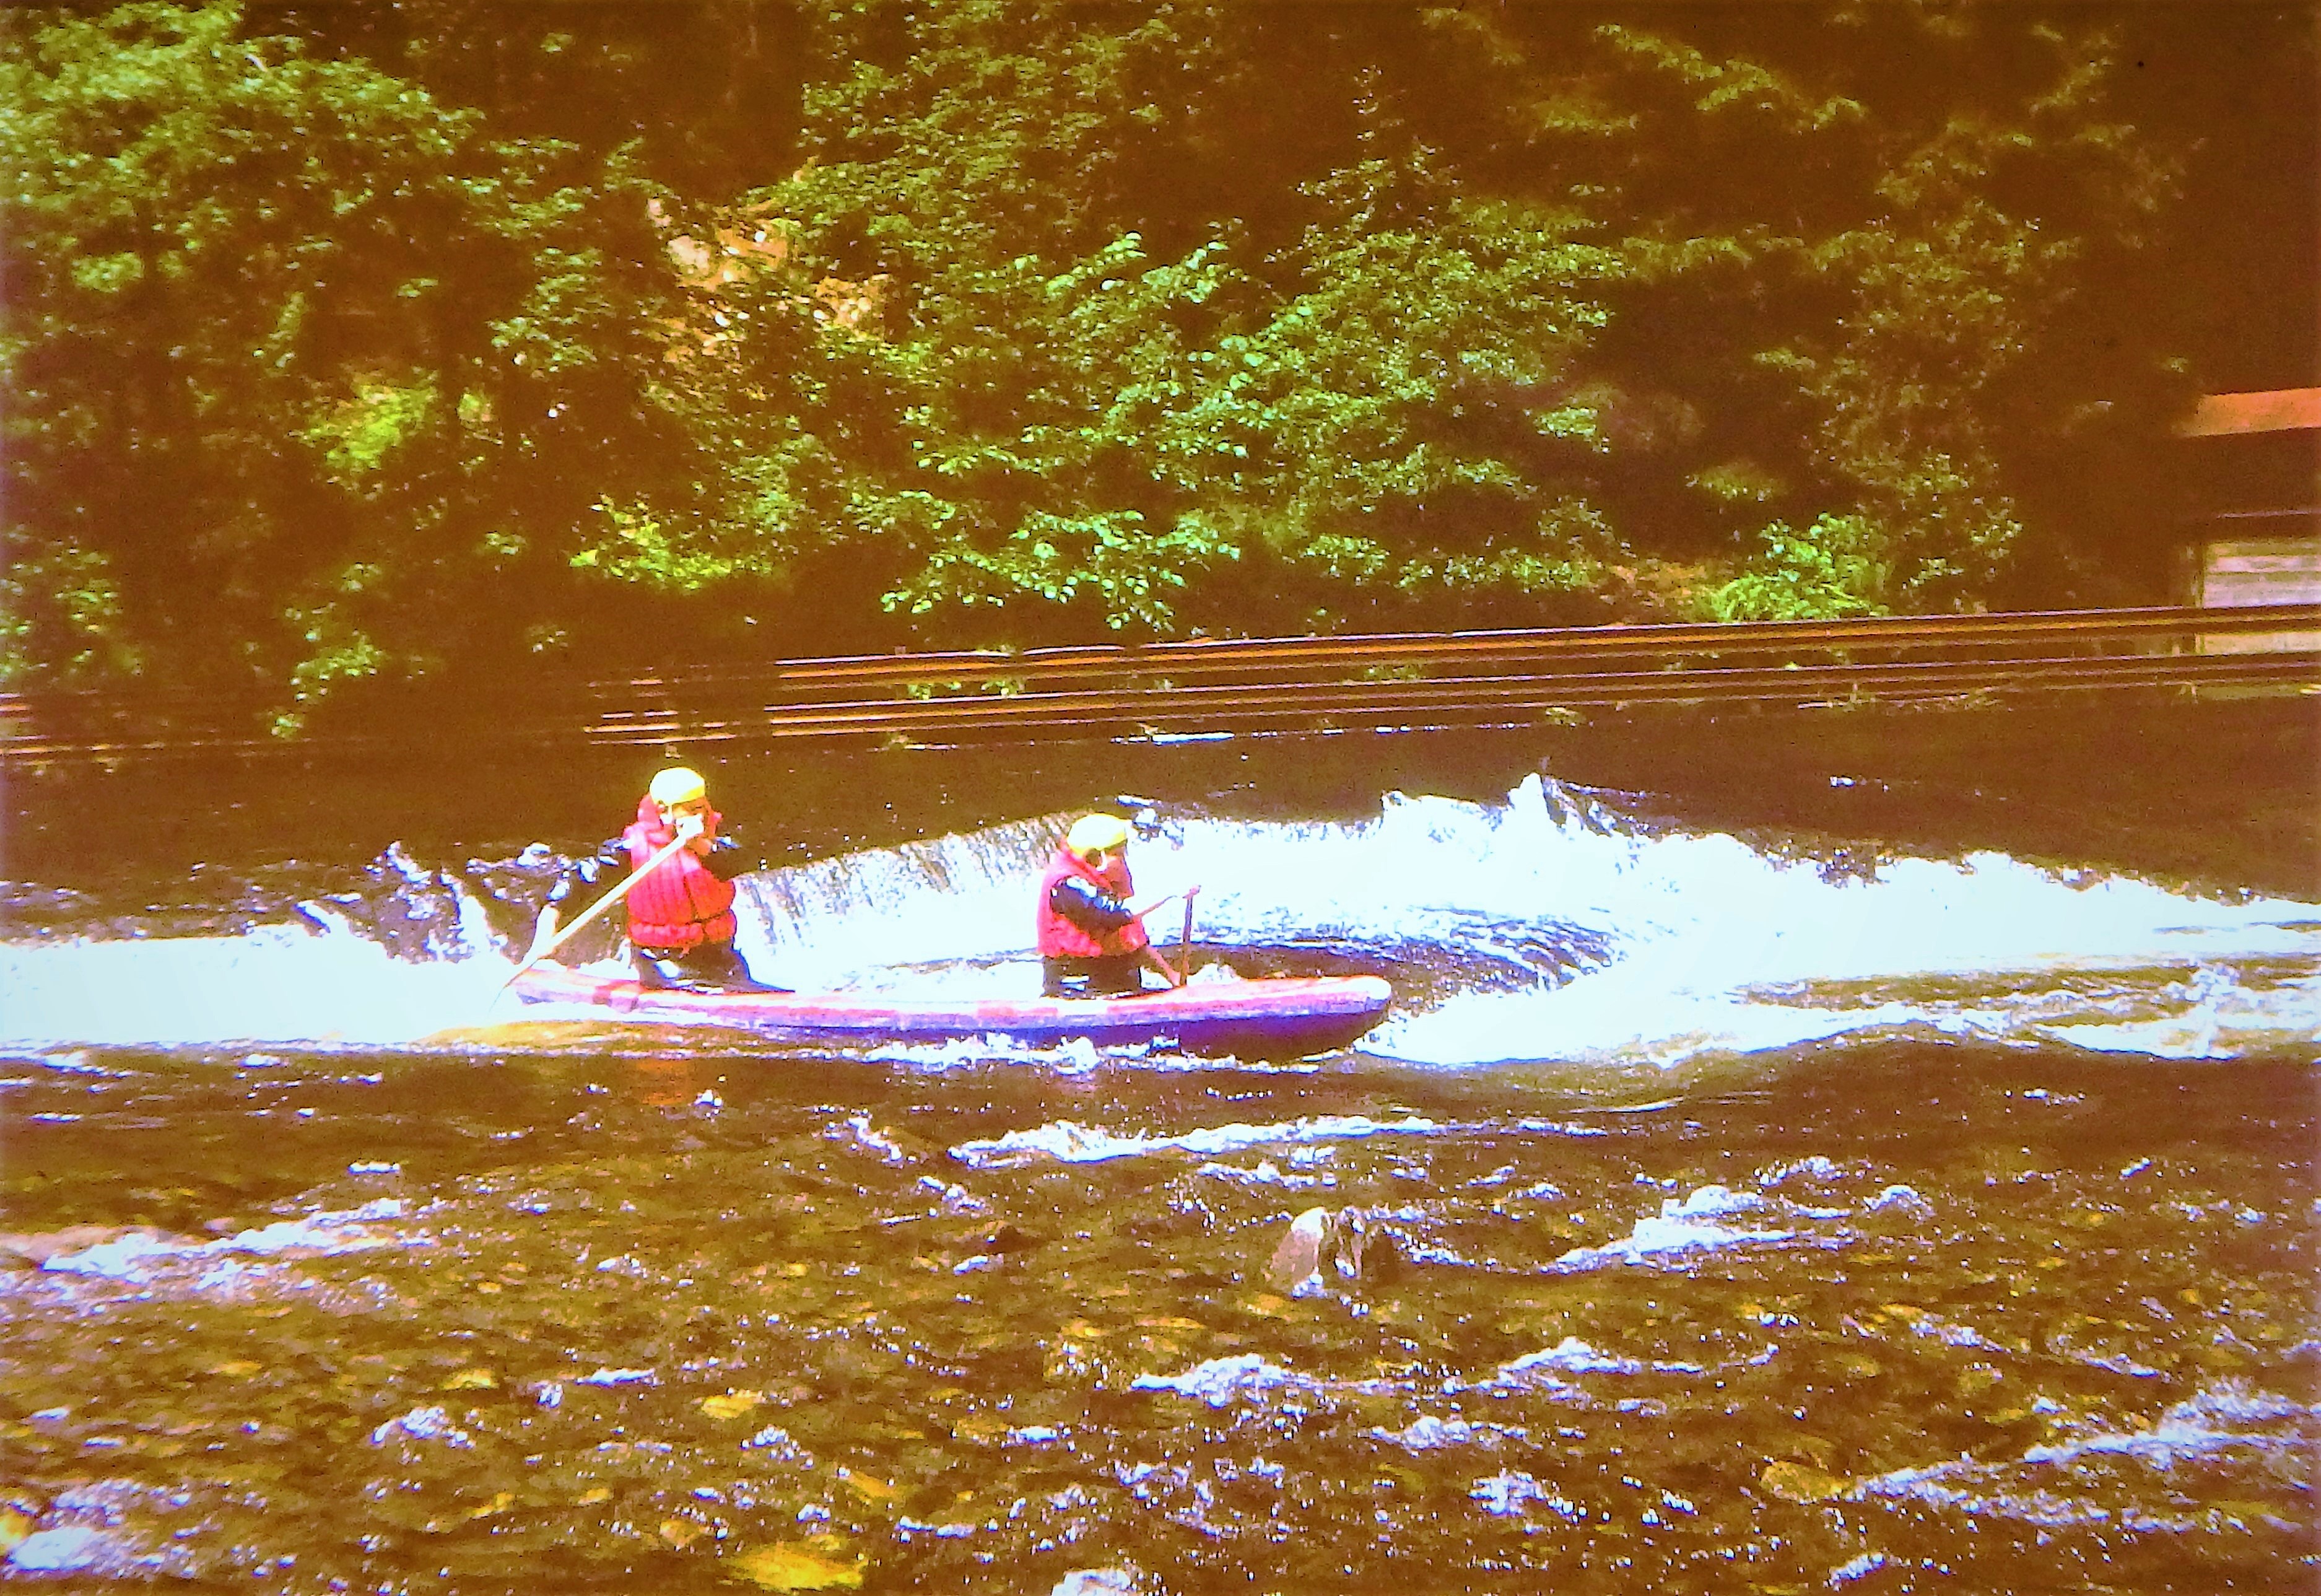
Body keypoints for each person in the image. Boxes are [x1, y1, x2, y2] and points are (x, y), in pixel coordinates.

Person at [528, 765, 783, 994]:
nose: (700, 816)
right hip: (662, 959)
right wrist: (546, 929)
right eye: (690, 809)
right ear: (664, 811)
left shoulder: (715, 839)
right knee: (712, 990)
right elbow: (578, 881)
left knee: (743, 987)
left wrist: (699, 844)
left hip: (719, 953)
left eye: (701, 807)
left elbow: (739, 862)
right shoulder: (631, 848)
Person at [1036, 813, 1197, 998]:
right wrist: (1167, 892)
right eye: (1119, 855)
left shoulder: (1109, 877)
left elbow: (1132, 937)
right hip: (1077, 986)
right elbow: (1112, 914)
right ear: (1095, 857)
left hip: (1120, 981)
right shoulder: (1067, 884)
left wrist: (1171, 976)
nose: (1123, 862)